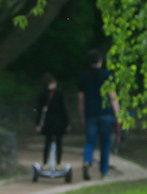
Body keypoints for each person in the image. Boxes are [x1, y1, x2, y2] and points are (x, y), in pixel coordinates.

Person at [77, 49, 120, 180]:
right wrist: (118, 115)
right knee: (105, 143)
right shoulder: (107, 76)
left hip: (90, 114)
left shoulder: (83, 78)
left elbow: (81, 100)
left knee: (90, 141)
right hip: (106, 113)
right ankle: (104, 171)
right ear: (100, 61)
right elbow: (113, 96)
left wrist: (82, 116)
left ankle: (87, 160)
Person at [35, 73, 70, 166]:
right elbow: (64, 109)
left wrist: (38, 124)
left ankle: (45, 163)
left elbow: (39, 110)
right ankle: (58, 163)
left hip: (48, 122)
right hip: (59, 123)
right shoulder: (59, 93)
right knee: (59, 143)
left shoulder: (42, 94)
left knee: (47, 143)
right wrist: (67, 123)